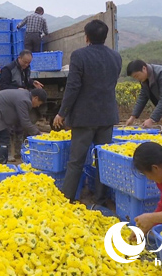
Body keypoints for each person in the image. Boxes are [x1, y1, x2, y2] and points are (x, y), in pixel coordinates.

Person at [53, 19, 122, 205]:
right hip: (107, 116)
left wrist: (62, 112)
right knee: (102, 159)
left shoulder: (79, 56)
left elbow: (73, 87)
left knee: (76, 160)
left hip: (84, 117)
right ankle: (99, 199)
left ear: (87, 37)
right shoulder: (116, 57)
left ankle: (67, 198)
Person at [0, 88, 47, 164]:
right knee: (3, 137)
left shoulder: (24, 95)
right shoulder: (24, 100)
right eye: (39, 103)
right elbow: (25, 122)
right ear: (35, 98)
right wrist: (39, 134)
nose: (38, 106)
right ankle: (1, 165)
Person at [0, 50, 44, 161]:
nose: (26, 65)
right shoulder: (8, 69)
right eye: (25, 62)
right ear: (19, 58)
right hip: (10, 102)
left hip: (21, 101)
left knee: (20, 126)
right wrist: (16, 89)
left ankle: (19, 152)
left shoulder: (26, 69)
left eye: (29, 63)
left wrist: (32, 82)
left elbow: (25, 81)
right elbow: (3, 86)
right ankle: (8, 153)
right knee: (9, 128)